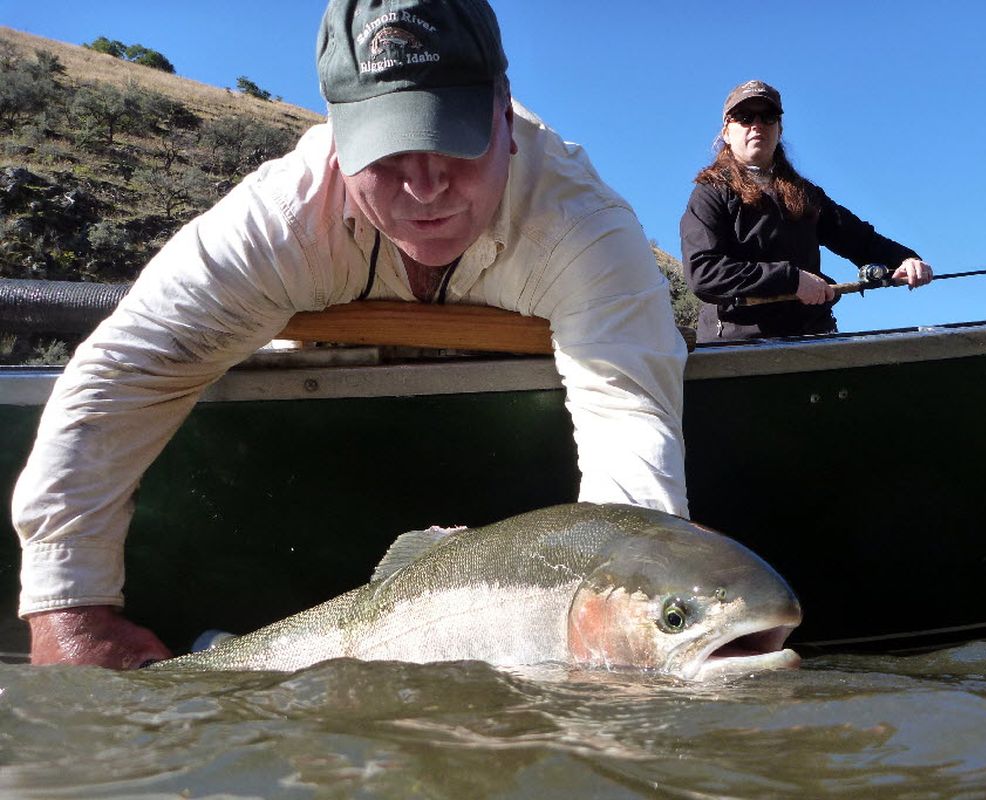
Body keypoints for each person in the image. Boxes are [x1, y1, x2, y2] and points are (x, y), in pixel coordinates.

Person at [11, 0, 689, 668]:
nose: (424, 187)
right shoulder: (279, 218)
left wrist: (642, 616)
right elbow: (125, 372)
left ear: (503, 111)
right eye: (388, 151)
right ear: (335, 134)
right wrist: (69, 606)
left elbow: (627, 420)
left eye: (452, 137)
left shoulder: (588, 229)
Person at [680, 80, 933, 342]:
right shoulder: (709, 193)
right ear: (726, 132)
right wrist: (791, 280)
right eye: (744, 117)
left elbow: (860, 239)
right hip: (737, 350)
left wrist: (904, 260)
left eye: (768, 117)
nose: (757, 125)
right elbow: (704, 272)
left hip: (812, 340)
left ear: (779, 129)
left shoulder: (805, 194)